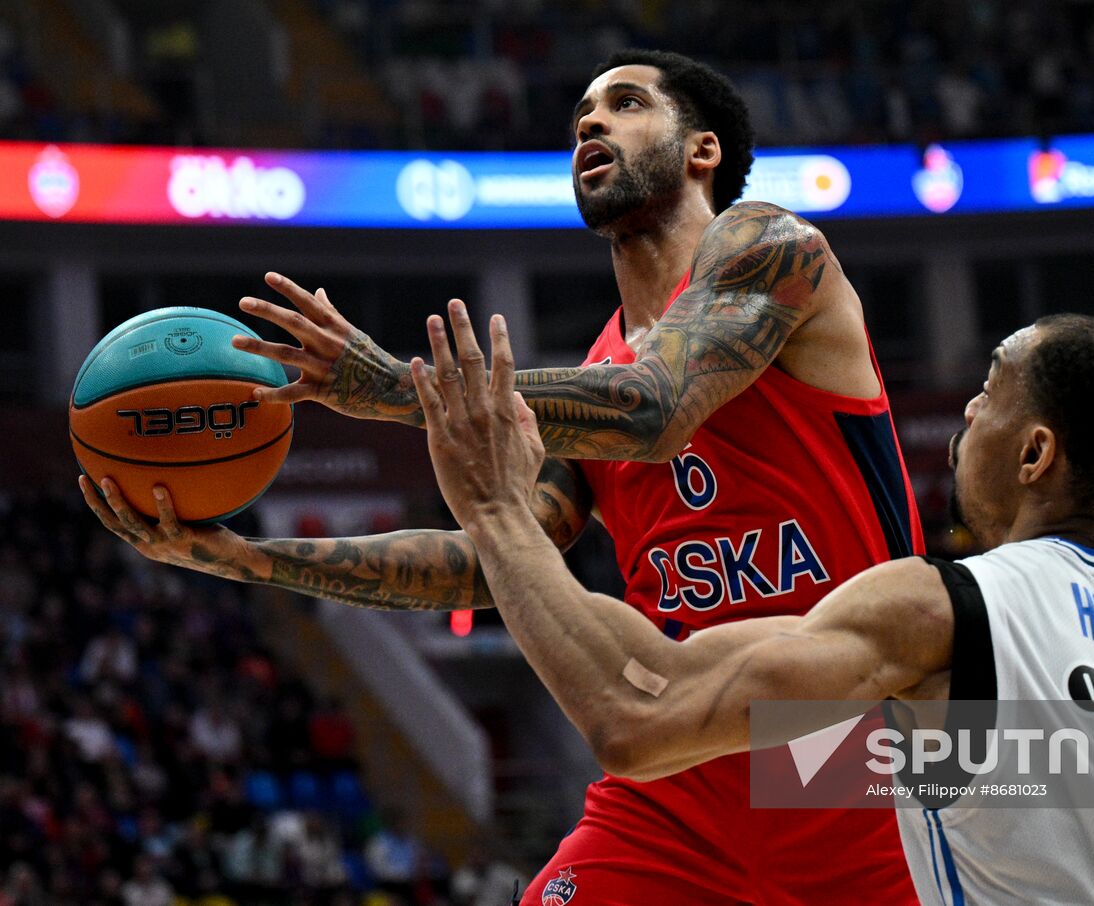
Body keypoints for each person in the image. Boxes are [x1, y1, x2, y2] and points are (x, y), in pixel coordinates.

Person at [81, 50, 925, 903]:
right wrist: (248, 562)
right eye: (580, 118)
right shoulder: (593, 374)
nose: (590, 124)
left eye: (624, 104)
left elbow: (656, 410)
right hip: (680, 761)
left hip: (847, 754)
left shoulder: (772, 248)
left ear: (701, 149)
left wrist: (398, 393)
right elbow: (490, 559)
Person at [407, 289, 1094, 904]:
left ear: (1036, 454)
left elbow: (637, 716)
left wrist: (496, 509)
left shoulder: (940, 612)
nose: (967, 412)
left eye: (988, 393)